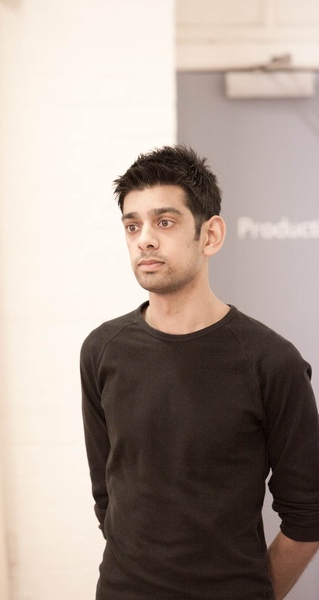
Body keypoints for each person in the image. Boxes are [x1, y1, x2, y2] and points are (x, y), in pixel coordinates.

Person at [80, 145, 319, 600]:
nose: (145, 240)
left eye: (165, 222)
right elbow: (106, 494)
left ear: (210, 235)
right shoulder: (102, 350)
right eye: (133, 226)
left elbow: (308, 515)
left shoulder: (271, 361)